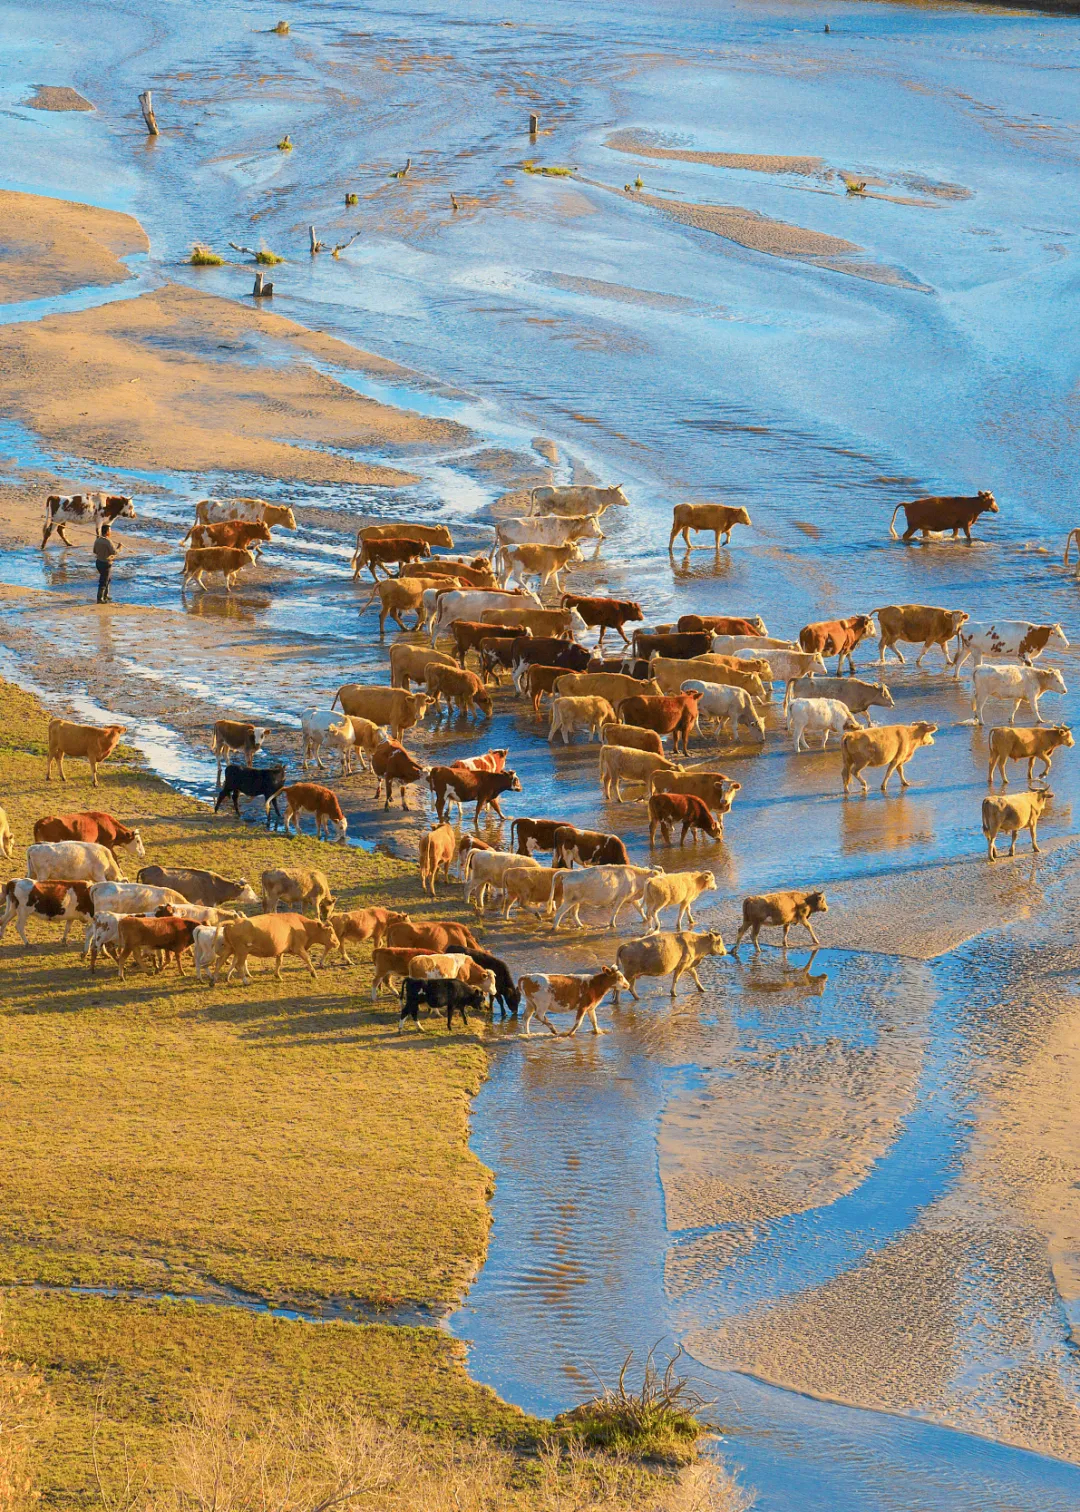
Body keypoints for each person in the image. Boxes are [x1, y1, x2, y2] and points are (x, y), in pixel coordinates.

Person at [93, 524, 121, 603]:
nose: (111, 532)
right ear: (107, 532)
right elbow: (114, 552)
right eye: (110, 530)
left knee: (107, 579)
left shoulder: (97, 540)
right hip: (106, 564)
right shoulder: (108, 541)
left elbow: (94, 551)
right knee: (104, 581)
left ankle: (105, 596)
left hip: (98, 562)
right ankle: (100, 599)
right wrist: (119, 547)